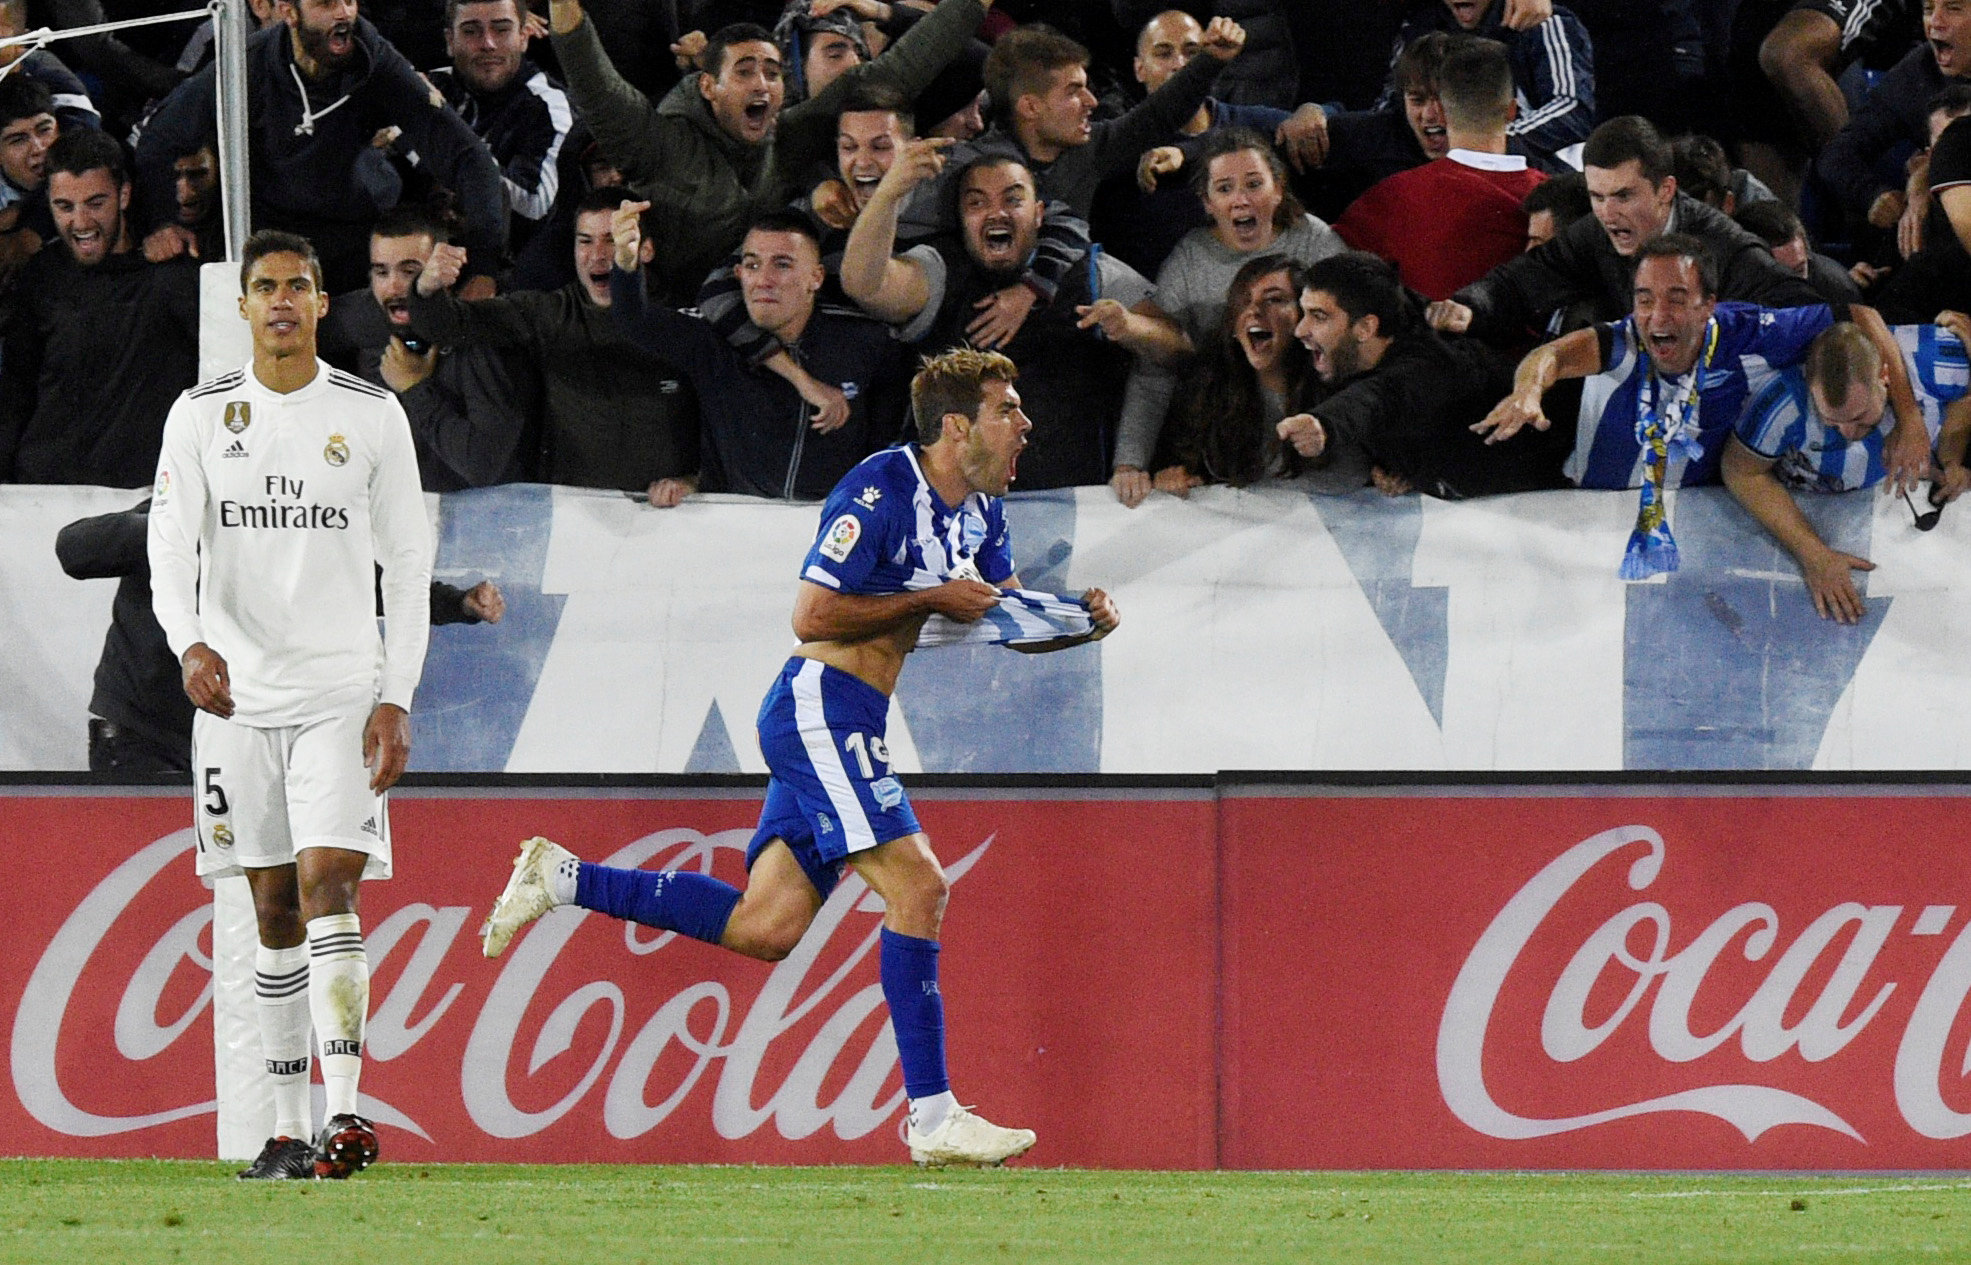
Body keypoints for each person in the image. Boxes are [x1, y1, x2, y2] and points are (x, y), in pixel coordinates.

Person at [479, 346, 1120, 1167]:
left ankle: (561, 876)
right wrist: (928, 597)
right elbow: (811, 614)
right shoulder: (879, 487)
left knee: (766, 925)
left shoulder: (980, 516)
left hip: (851, 717)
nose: (1025, 424)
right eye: (1008, 410)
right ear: (957, 428)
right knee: (919, 885)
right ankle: (932, 1117)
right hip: (819, 706)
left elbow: (994, 615)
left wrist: (1076, 620)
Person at [147, 229, 434, 1180]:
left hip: (340, 694)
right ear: (242, 307)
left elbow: (410, 562)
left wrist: (395, 695)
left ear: (320, 303)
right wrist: (189, 639)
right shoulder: (198, 416)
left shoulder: (370, 414)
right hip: (236, 703)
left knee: (328, 887)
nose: (279, 301)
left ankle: (348, 1114)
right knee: (270, 905)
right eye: (264, 286)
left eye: (298, 287)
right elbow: (168, 549)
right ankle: (284, 1124)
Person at [1474, 234, 1931, 576]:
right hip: (1569, 485)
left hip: (1674, 512)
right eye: (1644, 299)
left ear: (1708, 305)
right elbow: (1550, 355)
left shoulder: (1747, 331)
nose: (1657, 316)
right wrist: (1528, 391)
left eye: (1676, 299)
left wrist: (1908, 419)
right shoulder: (1626, 341)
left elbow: (1862, 317)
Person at [547, 0, 993, 303]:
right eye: (745, 71)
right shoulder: (660, 145)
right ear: (709, 86)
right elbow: (594, 83)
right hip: (670, 324)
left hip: (768, 321)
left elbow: (899, 70)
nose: (762, 84)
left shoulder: (791, 135)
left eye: (772, 72)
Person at [61, 497, 502, 773]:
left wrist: (460, 603)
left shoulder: (289, 531)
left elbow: (368, 585)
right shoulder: (170, 518)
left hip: (237, 740)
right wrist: (165, 531)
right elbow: (73, 549)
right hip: (142, 739)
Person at [844, 148, 1178, 490]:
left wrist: (1130, 326)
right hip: (949, 515)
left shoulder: (1093, 275)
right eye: (977, 204)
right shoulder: (940, 269)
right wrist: (886, 196)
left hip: (1069, 514)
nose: (996, 213)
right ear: (960, 219)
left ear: (1038, 215)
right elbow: (865, 285)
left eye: (1012, 200)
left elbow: (1178, 347)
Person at [133, 0, 506, 295]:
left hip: (354, 234)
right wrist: (161, 221)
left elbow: (468, 156)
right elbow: (160, 139)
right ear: (289, 13)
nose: (344, 12)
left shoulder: (375, 63)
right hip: (269, 237)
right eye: (327, 3)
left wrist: (485, 268)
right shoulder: (249, 64)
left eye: (349, 0)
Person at [597, 203, 911, 501]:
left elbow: (890, 438)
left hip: (835, 527)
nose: (763, 280)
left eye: (783, 264)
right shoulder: (714, 338)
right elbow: (635, 321)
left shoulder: (866, 340)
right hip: (741, 530)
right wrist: (626, 261)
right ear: (738, 273)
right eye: (752, 265)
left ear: (816, 277)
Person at [404, 185, 700, 499]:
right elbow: (450, 325)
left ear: (646, 249)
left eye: (612, 239)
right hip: (573, 519)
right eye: (585, 241)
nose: (598, 255)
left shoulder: (683, 323)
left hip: (670, 517)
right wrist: (426, 287)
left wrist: (694, 481)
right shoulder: (547, 314)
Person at [1429, 115, 1823, 343]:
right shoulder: (1597, 232)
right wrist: (1470, 306)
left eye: (1622, 196)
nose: (1607, 213)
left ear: (1665, 190)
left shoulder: (1722, 244)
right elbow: (1522, 281)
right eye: (1597, 197)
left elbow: (1804, 311)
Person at [1110, 129, 1345, 504]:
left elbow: (1358, 347)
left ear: (1278, 189)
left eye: (1254, 184)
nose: (1241, 200)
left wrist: (1383, 451)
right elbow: (1155, 368)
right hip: (1224, 436)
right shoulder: (1188, 261)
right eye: (1224, 189)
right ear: (1206, 202)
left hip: (1313, 425)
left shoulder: (1315, 243)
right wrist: (1131, 462)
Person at [1723, 315, 1969, 623]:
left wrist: (1952, 457)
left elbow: (1963, 396)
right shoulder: (1783, 402)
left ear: (1885, 376)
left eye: (1862, 417)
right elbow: (1740, 471)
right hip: (1811, 514)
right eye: (1831, 421)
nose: (1848, 433)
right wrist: (1813, 554)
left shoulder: (1933, 361)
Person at [1273, 251, 1563, 500]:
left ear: (1365, 328)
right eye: (1305, 312)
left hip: (1553, 499)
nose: (1300, 330)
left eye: (1319, 316)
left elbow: (1380, 396)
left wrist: (1325, 424)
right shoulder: (1385, 315)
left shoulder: (1432, 366)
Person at [0, 128, 199, 486]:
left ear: (123, 195)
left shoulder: (174, 279)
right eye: (64, 206)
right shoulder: (39, 278)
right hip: (44, 496)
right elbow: (16, 396)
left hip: (142, 502)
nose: (81, 223)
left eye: (95, 203)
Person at [322, 206, 542, 490]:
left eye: (410, 271)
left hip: (480, 517)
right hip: (393, 508)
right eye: (381, 272)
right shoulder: (360, 315)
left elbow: (483, 466)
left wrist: (415, 388)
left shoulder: (480, 339)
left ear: (444, 273)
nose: (394, 287)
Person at [1334, 37, 1547, 302]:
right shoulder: (1556, 197)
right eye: (1418, 99)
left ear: (1446, 111)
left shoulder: (1395, 197)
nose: (1429, 114)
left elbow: (1328, 267)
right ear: (1513, 111)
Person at [1150, 255, 1322, 495]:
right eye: (1244, 301)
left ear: (1305, 316)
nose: (1254, 311)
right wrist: (1175, 474)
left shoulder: (1335, 383)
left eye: (1274, 299)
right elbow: (1183, 462)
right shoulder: (1209, 385)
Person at [1376, 0, 1595, 171]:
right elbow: (1389, 108)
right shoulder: (1418, 26)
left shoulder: (1542, 21)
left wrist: (1489, 138)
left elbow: (1573, 110)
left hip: (1536, 176)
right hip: (1440, 176)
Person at [1820, 0, 1971, 241]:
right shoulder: (1919, 71)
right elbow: (1839, 153)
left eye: (1954, 9)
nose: (1935, 23)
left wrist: (1926, 176)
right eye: (1928, 9)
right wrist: (1874, 195)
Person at [431, 0, 574, 252]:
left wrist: (446, 143)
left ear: (523, 37)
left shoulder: (548, 106)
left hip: (515, 264)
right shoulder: (431, 86)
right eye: (471, 31)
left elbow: (535, 205)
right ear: (449, 41)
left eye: (501, 29)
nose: (488, 43)